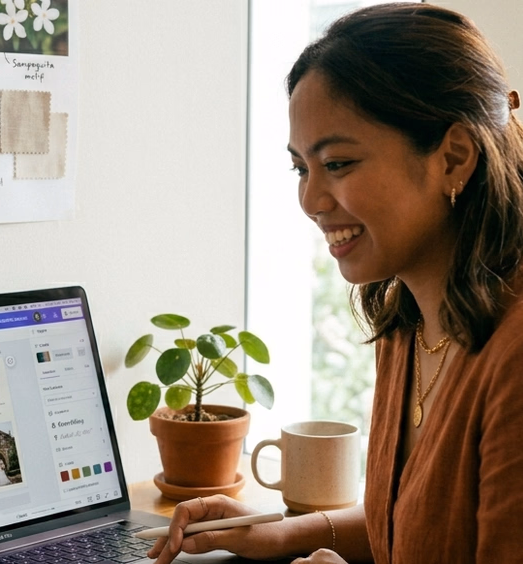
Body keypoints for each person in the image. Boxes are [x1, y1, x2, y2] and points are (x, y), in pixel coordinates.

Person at [149, 3, 523, 563]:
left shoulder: (514, 356)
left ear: (453, 157)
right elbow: (411, 524)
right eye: (302, 167)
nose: (310, 200)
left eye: (339, 163)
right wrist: (279, 532)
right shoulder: (409, 325)